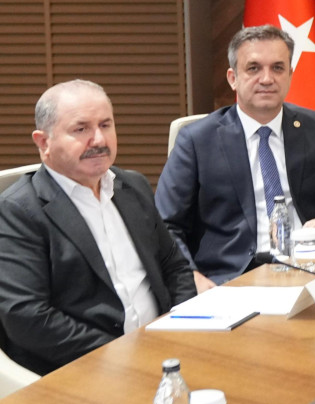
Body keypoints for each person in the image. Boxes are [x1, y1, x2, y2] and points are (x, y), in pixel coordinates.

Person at [157, 25, 315, 282]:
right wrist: (192, 277)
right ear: (233, 78)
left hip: (310, 266)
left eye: (277, 68)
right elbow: (165, 224)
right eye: (253, 68)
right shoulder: (197, 140)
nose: (267, 79)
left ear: (290, 74)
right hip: (230, 278)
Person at [0, 81, 197, 375]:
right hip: (83, 368)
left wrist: (181, 330)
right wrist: (122, 355)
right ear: (43, 143)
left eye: (105, 125)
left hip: (164, 352)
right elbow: (27, 317)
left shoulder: (133, 186)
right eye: (81, 129)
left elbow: (175, 267)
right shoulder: (18, 211)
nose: (99, 139)